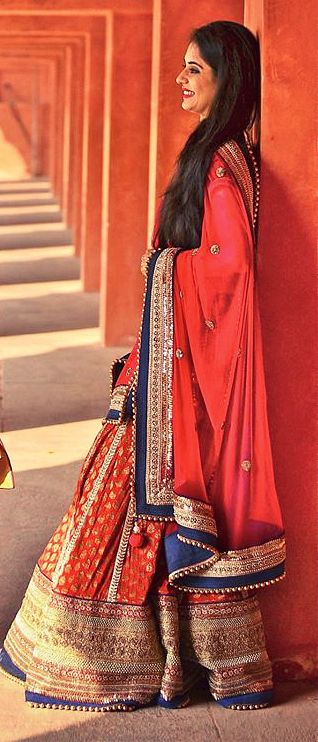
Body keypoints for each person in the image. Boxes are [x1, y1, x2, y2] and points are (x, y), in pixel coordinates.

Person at [0, 21, 285, 712]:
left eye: (195, 70)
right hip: (162, 361)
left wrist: (160, 267)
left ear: (230, 79)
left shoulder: (220, 162)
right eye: (182, 67)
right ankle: (169, 659)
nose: (181, 80)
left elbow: (230, 268)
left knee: (124, 500)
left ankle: (111, 663)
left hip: (177, 373)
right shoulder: (219, 154)